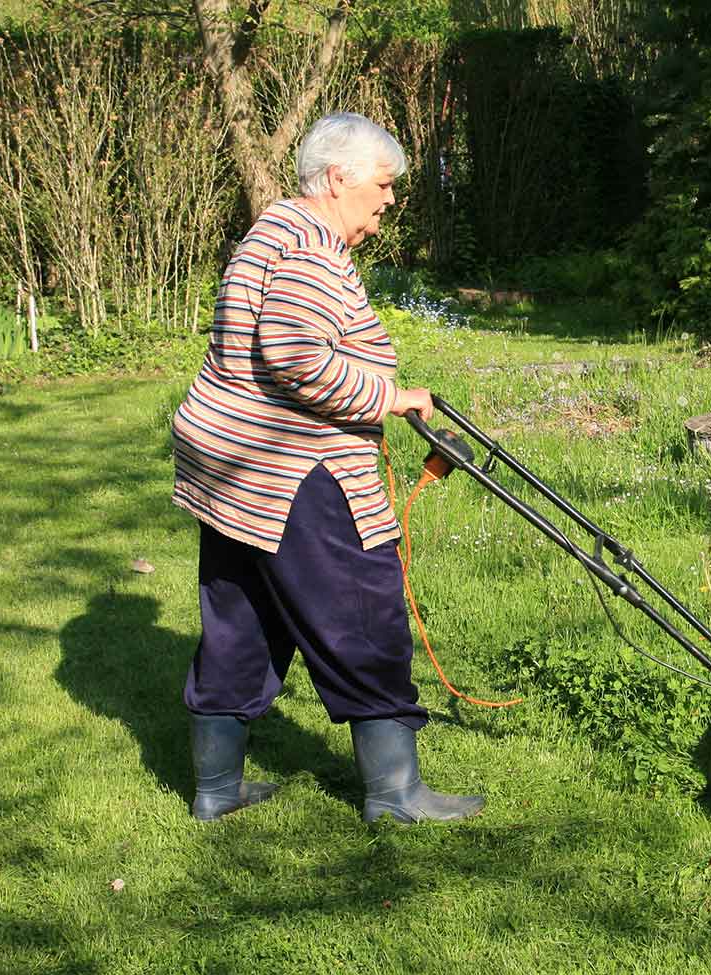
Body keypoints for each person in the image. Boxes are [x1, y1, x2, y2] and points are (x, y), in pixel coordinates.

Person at [169, 112, 484, 824]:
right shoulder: (310, 247)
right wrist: (389, 395)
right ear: (337, 176)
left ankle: (216, 791)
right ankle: (397, 795)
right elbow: (297, 356)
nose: (390, 201)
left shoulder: (274, 229)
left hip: (235, 470)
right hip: (294, 469)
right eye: (383, 184)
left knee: (242, 620)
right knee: (361, 618)